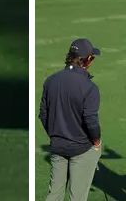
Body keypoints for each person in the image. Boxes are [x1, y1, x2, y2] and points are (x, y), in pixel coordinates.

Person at [40, 38, 102, 201]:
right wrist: (96, 140)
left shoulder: (50, 81)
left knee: (54, 195)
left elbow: (43, 114)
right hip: (82, 148)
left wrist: (55, 135)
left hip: (57, 145)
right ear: (87, 59)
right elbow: (91, 121)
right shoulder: (90, 88)